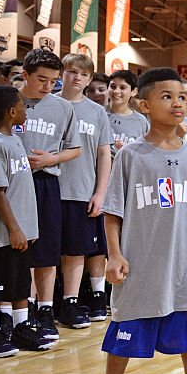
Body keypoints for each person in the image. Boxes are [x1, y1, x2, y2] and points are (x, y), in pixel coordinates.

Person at [81, 67, 187, 374]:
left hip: (185, 261)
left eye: (183, 97)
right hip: (140, 264)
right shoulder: (131, 156)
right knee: (125, 329)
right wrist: (114, 255)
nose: (178, 103)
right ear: (144, 104)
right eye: (168, 96)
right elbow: (113, 212)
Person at [0, 49, 81, 341]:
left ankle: (43, 311)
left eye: (53, 80)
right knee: (4, 251)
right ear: (24, 75)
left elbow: (75, 148)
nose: (48, 86)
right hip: (6, 185)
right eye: (42, 79)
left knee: (44, 250)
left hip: (44, 183)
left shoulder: (62, 108)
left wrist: (51, 159)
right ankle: (3, 320)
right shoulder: (2, 100)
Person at [0, 86, 51, 357]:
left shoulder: (14, 140)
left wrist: (26, 228)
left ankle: (21, 327)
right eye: (22, 105)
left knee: (20, 281)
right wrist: (15, 228)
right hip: (0, 231)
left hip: (19, 230)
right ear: (11, 112)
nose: (26, 109)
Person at [56, 53, 113, 323]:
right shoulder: (49, 105)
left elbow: (104, 154)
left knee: (76, 250)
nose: (77, 77)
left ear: (89, 79)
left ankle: (71, 300)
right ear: (62, 74)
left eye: (83, 74)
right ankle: (40, 305)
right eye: (71, 71)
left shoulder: (97, 111)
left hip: (81, 190)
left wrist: (100, 192)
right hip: (47, 187)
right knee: (42, 253)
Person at [106, 70, 149, 156]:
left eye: (122, 88)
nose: (116, 91)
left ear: (134, 91)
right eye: (113, 86)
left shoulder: (141, 121)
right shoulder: (99, 113)